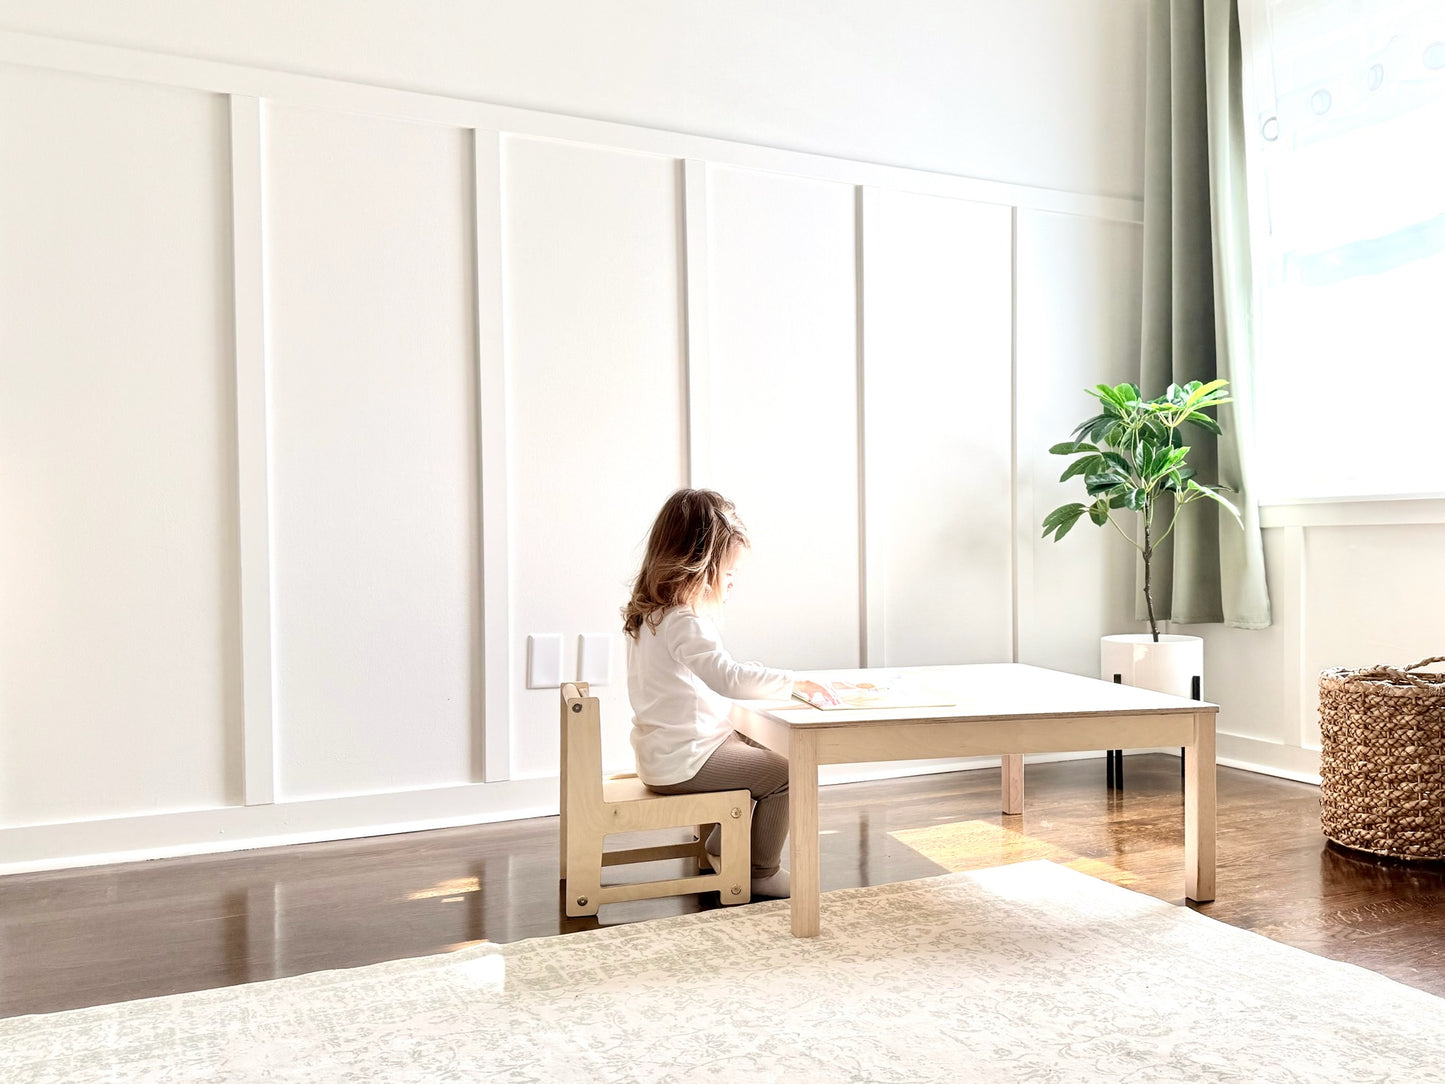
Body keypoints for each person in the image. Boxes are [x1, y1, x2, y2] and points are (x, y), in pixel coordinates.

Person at [621, 488, 837, 899]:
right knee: (788, 773)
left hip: (666, 751)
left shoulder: (652, 616)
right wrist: (792, 682)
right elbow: (727, 678)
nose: (734, 581)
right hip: (685, 761)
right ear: (699, 566)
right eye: (729, 571)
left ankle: (730, 840)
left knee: (758, 744)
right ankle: (761, 870)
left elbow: (712, 676)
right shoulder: (684, 620)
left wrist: (755, 675)